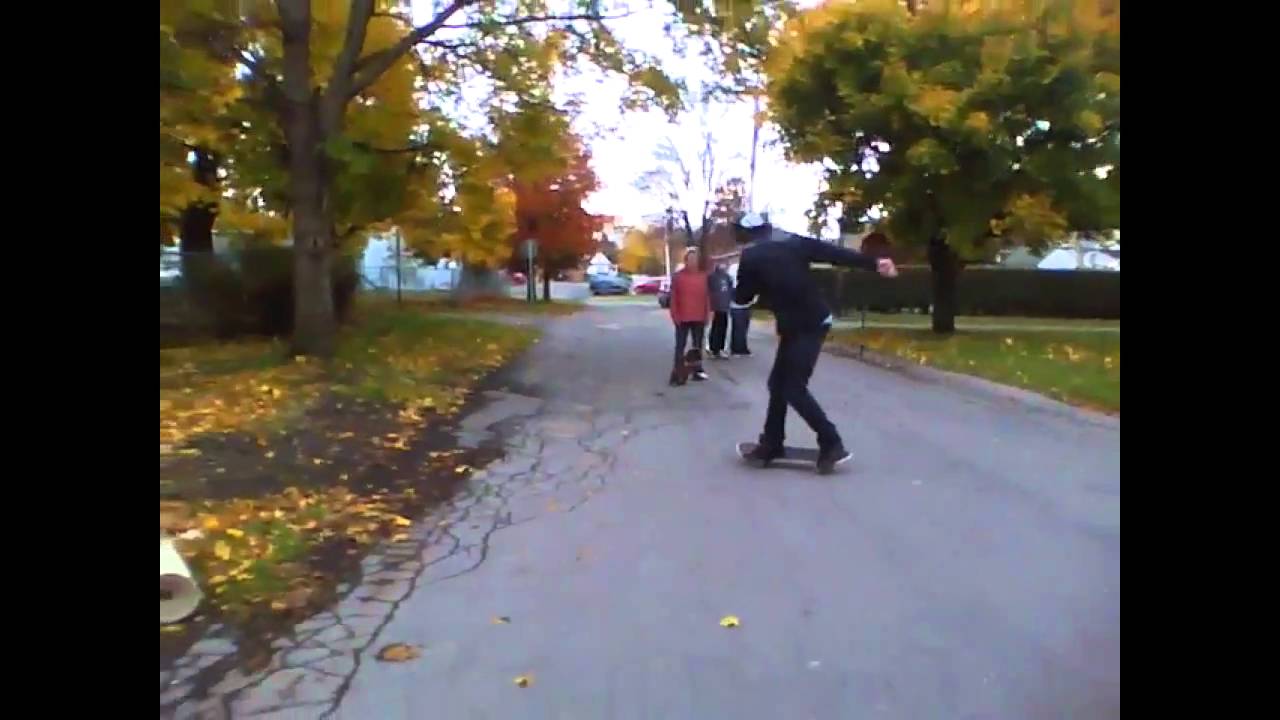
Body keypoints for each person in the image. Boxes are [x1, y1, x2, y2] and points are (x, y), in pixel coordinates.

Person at [732, 212, 898, 473]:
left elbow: (742, 298)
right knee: (778, 384)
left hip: (805, 326)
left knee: (792, 387)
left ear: (744, 234)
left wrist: (733, 286)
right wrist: (875, 263)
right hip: (811, 320)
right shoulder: (793, 242)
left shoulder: (752, 257)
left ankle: (831, 442)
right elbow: (833, 253)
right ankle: (772, 442)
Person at [668, 247, 711, 385]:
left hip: (699, 316)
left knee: (697, 346)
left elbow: (707, 297)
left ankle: (697, 370)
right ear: (686, 260)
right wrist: (675, 316)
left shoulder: (703, 276)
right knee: (680, 346)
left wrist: (707, 314)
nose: (693, 261)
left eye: (695, 258)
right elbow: (673, 298)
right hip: (683, 317)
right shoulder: (678, 277)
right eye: (690, 258)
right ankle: (678, 373)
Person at [706, 263, 734, 359]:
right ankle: (713, 348)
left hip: (724, 307)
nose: (723, 267)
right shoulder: (712, 277)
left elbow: (730, 289)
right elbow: (707, 291)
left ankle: (720, 349)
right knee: (715, 328)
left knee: (723, 328)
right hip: (715, 307)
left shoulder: (727, 277)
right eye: (721, 265)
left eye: (724, 266)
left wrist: (730, 301)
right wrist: (710, 306)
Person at [727, 259, 752, 357]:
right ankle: (735, 349)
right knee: (737, 327)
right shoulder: (734, 267)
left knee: (744, 327)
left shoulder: (749, 267)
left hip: (747, 303)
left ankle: (743, 348)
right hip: (736, 303)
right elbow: (730, 283)